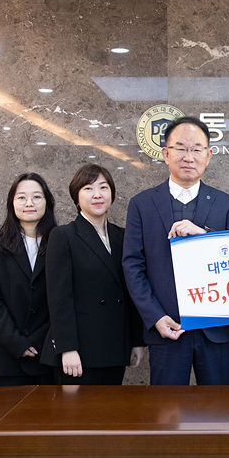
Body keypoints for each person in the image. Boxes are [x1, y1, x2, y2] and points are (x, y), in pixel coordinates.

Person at [122, 116, 229, 385]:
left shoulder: (226, 204)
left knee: (220, 406)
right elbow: (133, 266)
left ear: (208, 156)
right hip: (167, 327)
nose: (189, 157)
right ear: (166, 154)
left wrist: (204, 236)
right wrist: (155, 317)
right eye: (180, 148)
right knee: (167, 406)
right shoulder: (142, 204)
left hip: (216, 328)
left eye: (197, 149)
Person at [42, 164, 145, 385]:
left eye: (103, 187)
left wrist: (136, 340)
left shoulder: (123, 236)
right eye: (88, 188)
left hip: (115, 346)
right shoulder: (63, 236)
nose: (97, 194)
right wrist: (67, 348)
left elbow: (132, 291)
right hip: (79, 351)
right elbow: (59, 298)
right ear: (76, 197)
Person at [0, 173, 57, 386]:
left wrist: (39, 339)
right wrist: (16, 342)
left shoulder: (61, 242)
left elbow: (65, 299)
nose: (29, 203)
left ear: (47, 202)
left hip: (49, 355)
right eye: (21, 197)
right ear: (11, 203)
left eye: (37, 197)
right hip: (6, 358)